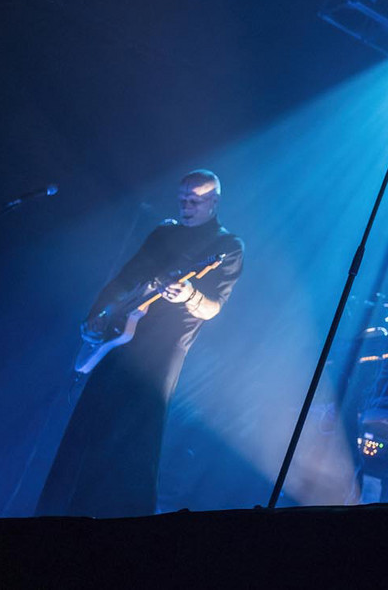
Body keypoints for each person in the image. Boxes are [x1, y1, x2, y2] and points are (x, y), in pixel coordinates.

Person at [36, 170, 244, 516]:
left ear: (214, 202)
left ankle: (124, 519)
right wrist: (98, 313)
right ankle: (64, 512)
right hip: (120, 338)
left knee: (137, 435)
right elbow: (126, 277)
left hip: (163, 351)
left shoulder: (227, 246)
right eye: (182, 199)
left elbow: (213, 308)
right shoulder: (164, 232)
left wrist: (189, 295)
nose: (186, 206)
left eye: (194, 200)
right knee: (92, 423)